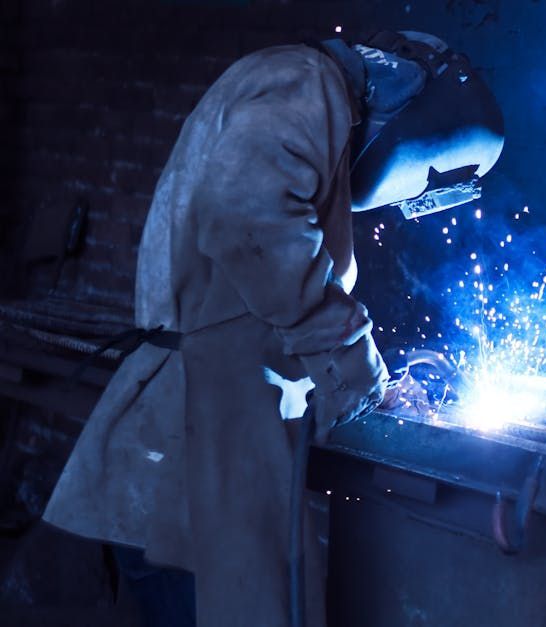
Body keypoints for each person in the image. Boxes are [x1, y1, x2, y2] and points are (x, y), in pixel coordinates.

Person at [41, 31, 504, 627]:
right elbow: (251, 219)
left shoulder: (305, 95)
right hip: (196, 453)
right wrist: (360, 375)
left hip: (202, 441)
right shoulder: (306, 84)